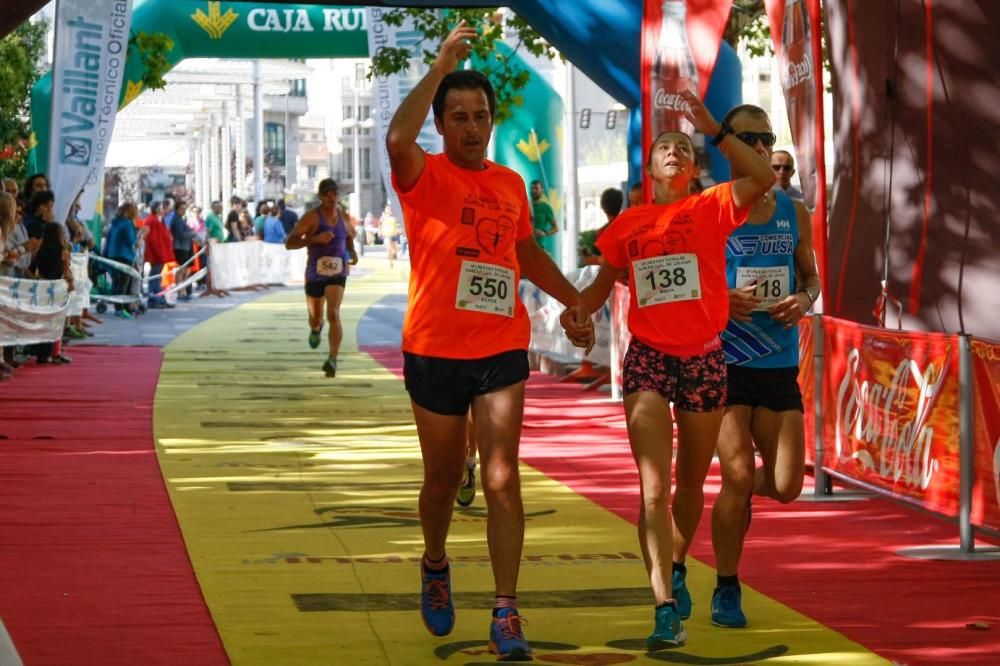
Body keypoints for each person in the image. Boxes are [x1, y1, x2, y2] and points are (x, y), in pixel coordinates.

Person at [385, 22, 592, 661]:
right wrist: (442, 62)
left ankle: (506, 608)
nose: (472, 128)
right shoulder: (423, 175)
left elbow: (524, 251)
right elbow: (396, 136)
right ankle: (436, 561)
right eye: (459, 117)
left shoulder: (508, 184)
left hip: (500, 345)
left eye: (480, 116)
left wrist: (575, 301)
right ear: (442, 126)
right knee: (443, 480)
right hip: (434, 347)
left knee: (503, 477)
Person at [573, 88, 774, 650]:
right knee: (654, 486)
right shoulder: (628, 224)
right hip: (649, 360)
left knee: (690, 484)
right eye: (666, 146)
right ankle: (663, 604)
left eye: (684, 149)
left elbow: (763, 178)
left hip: (705, 358)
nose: (675, 153)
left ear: (692, 167)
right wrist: (578, 314)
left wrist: (715, 128)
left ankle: (678, 564)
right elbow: (598, 287)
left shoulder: (711, 206)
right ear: (650, 166)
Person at [707, 106, 820, 628]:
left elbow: (810, 278)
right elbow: (685, 285)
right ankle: (726, 587)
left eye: (767, 137)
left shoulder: (792, 211)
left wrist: (803, 299)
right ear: (727, 145)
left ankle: (731, 497)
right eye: (749, 137)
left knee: (788, 484)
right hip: (726, 359)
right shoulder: (709, 210)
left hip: (777, 360)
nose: (760, 147)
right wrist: (719, 298)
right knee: (733, 475)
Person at [284, 179, 358, 377]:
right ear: (320, 196)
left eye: (335, 193)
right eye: (327, 194)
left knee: (333, 313)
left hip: (337, 272)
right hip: (315, 273)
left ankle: (332, 359)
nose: (332, 197)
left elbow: (351, 236)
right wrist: (314, 239)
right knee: (315, 318)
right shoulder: (311, 218)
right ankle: (316, 328)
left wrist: (351, 252)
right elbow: (289, 243)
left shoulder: (344, 217)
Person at [29, 221, 75, 364]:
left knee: (42, 320)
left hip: (43, 287)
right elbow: (66, 272)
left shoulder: (39, 250)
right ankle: (55, 352)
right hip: (58, 288)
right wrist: (71, 283)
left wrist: (37, 278)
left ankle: (41, 353)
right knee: (57, 321)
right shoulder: (63, 251)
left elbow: (31, 269)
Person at [105, 202, 139, 318]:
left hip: (113, 255)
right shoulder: (127, 224)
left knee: (116, 282)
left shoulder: (114, 223)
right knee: (124, 283)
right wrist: (140, 236)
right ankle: (121, 308)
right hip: (125, 256)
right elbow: (131, 241)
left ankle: (118, 307)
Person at [578, 187, 623, 266]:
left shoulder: (603, 233)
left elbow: (610, 263)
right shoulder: (628, 224)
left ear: (602, 206)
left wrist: (594, 260)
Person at [143, 202, 175, 309]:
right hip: (157, 254)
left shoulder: (157, 219)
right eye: (161, 207)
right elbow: (150, 238)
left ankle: (158, 298)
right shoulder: (151, 220)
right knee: (154, 276)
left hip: (160, 253)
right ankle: (154, 299)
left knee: (157, 277)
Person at [169, 200, 196, 301]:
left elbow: (186, 230)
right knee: (180, 271)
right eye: (181, 208)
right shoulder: (176, 219)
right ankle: (181, 293)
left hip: (185, 247)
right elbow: (180, 234)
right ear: (176, 209)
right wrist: (191, 234)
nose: (183, 210)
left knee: (185, 271)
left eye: (185, 209)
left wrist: (190, 232)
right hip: (179, 247)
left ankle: (183, 291)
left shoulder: (181, 219)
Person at [530, 180, 558, 259]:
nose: (533, 191)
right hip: (525, 247)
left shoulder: (546, 207)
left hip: (539, 247)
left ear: (541, 190)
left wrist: (544, 233)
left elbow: (556, 228)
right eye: (532, 188)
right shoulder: (526, 205)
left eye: (536, 188)